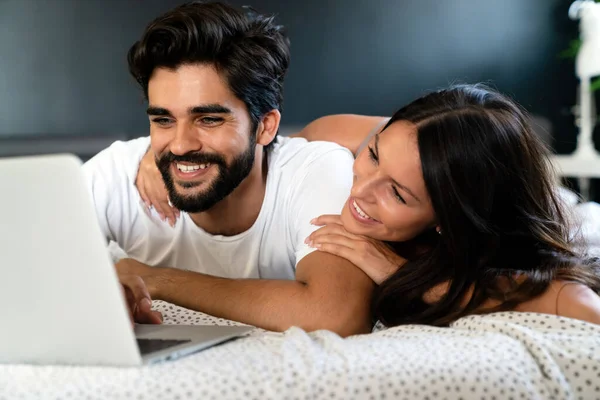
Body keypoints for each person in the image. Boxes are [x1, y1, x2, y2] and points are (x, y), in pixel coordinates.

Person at [138, 84, 600, 326]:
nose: (359, 191)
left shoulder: (540, 284)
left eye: (398, 194)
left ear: (447, 219)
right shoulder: (340, 139)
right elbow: (263, 158)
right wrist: (170, 152)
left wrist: (403, 277)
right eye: (373, 155)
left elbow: (578, 307)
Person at [82, 1, 375, 336]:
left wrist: (154, 278)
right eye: (164, 120)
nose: (179, 145)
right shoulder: (119, 173)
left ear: (265, 126)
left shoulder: (316, 170)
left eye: (208, 119)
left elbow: (336, 314)